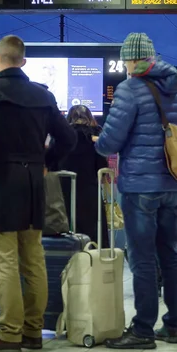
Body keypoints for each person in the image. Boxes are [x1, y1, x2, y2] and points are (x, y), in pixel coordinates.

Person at [0, 35, 77, 352]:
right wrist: (46, 163)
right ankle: (33, 331)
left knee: (5, 261)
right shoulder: (42, 95)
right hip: (34, 182)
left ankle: (9, 334)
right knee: (33, 260)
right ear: (22, 61)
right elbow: (68, 138)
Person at [94, 32, 177, 350]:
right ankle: (173, 326)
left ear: (134, 60)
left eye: (126, 60)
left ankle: (143, 330)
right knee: (171, 256)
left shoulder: (130, 89)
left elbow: (109, 142)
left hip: (140, 186)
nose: (124, 66)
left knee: (143, 260)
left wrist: (103, 143)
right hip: (172, 184)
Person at [48, 105, 108, 247]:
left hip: (64, 189)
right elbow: (102, 166)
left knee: (66, 225)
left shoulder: (62, 136)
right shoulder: (96, 137)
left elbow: (51, 163)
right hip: (89, 189)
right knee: (93, 228)